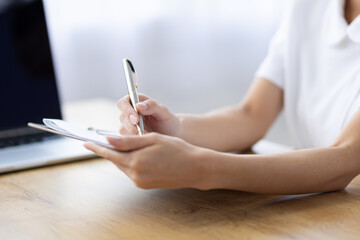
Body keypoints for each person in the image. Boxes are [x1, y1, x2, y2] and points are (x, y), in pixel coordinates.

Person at [84, 0, 360, 194]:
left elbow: (344, 160)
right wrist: (175, 128)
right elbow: (251, 115)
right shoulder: (309, 6)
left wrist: (200, 167)